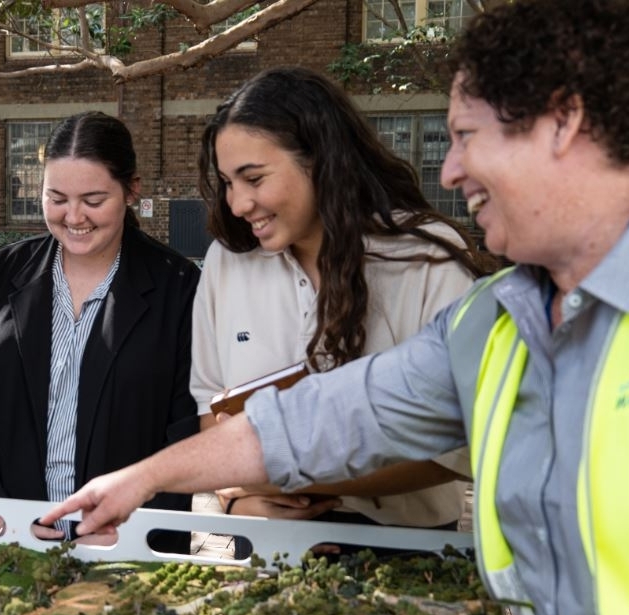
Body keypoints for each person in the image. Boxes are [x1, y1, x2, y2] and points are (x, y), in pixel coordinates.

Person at [41, 0, 629, 615]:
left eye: (466, 136)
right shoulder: (491, 321)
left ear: (562, 121)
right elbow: (326, 420)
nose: (449, 168)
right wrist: (143, 479)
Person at [190, 66, 495, 556]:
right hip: (264, 545)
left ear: (321, 161)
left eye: (253, 178)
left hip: (402, 553)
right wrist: (240, 501)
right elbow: (211, 406)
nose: (239, 202)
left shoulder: (426, 257)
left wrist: (303, 478)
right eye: (228, 182)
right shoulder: (228, 262)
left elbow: (458, 441)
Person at [0, 111, 200, 553]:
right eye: (57, 198)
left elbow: (186, 431)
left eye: (93, 199)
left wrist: (139, 527)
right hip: (8, 541)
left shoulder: (178, 288)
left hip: (130, 546)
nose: (74, 217)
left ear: (131, 190)